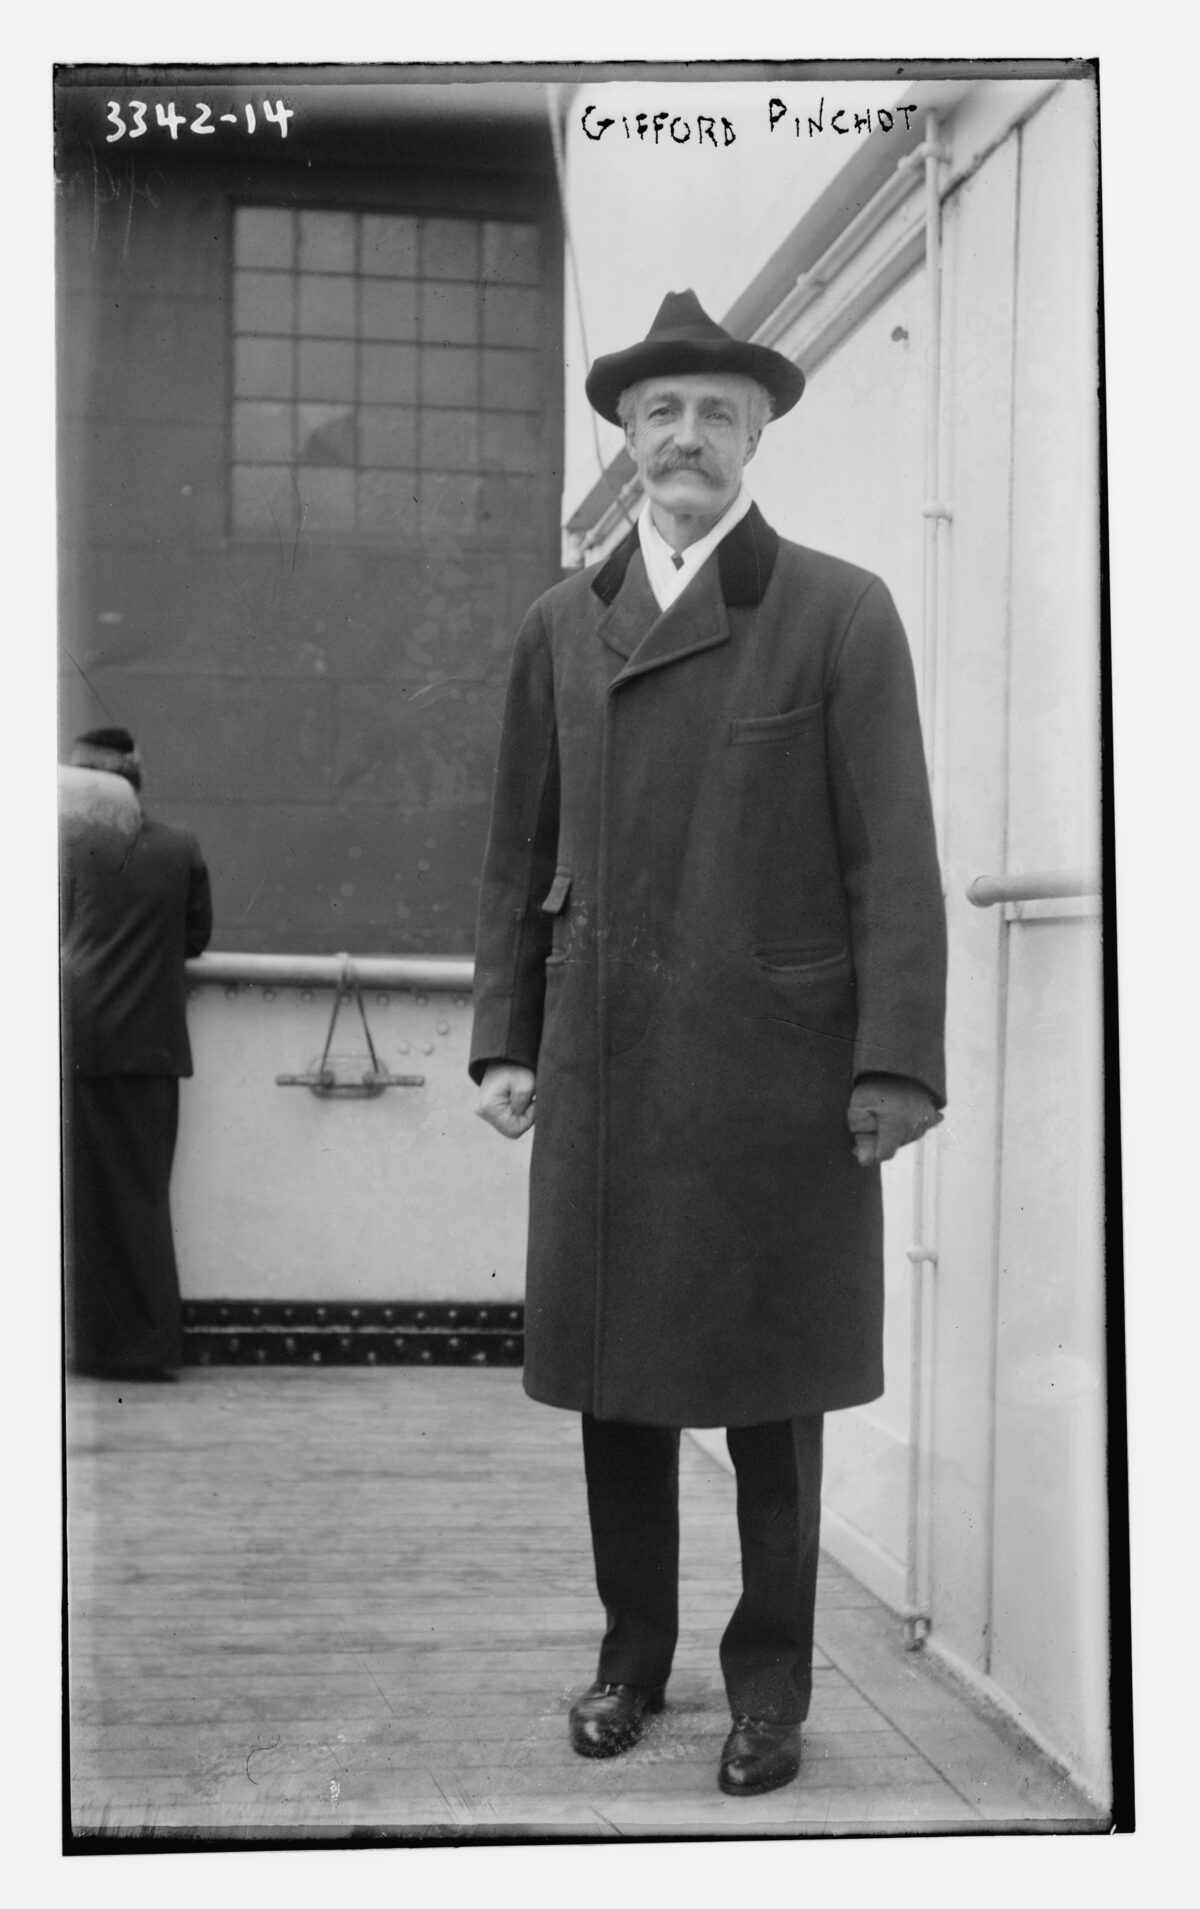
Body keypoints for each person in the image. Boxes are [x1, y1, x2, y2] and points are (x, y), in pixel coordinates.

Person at [470, 291, 947, 1797]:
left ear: (755, 439)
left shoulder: (840, 610)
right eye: (664, 411)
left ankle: (770, 1688)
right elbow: (517, 850)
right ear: (627, 433)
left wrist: (894, 1062)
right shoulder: (560, 627)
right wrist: (505, 1037)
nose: (689, 437)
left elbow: (893, 858)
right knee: (617, 1385)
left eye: (718, 415)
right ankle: (631, 1658)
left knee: (772, 1399)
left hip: (775, 1079)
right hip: (606, 1061)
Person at [60, 727, 213, 1381]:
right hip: (151, 1043)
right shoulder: (180, 847)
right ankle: (148, 1348)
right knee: (143, 1197)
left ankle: (93, 1345)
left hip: (81, 1036)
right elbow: (197, 936)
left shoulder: (67, 844)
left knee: (84, 1200)